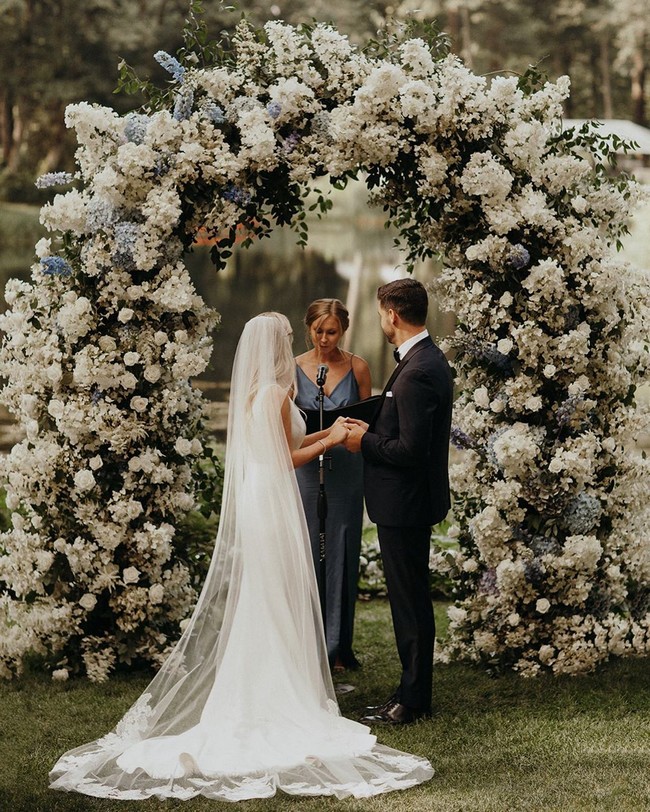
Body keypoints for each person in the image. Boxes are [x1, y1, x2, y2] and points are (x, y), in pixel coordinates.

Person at [49, 312, 433, 801]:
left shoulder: (263, 394)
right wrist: (331, 441)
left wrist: (330, 435)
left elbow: (290, 443)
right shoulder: (274, 395)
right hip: (271, 498)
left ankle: (268, 679)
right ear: (274, 347)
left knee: (267, 592)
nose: (295, 343)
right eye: (288, 340)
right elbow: (284, 457)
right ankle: (273, 692)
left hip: (264, 495)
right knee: (273, 591)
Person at [344, 279, 453, 725]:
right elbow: (398, 415)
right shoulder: (423, 360)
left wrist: (362, 441)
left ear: (391, 313)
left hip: (405, 504)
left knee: (409, 603)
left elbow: (411, 450)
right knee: (410, 601)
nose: (379, 319)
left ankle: (412, 702)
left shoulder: (421, 368)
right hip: (406, 503)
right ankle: (409, 691)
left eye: (379, 312)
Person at [294, 298, 371, 671]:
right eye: (318, 331)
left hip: (346, 472)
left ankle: (339, 646)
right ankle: (306, 644)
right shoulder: (291, 370)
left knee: (341, 550)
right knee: (307, 551)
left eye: (332, 332)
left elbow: (370, 422)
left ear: (343, 330)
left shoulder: (358, 367)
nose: (324, 339)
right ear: (308, 328)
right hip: (308, 471)